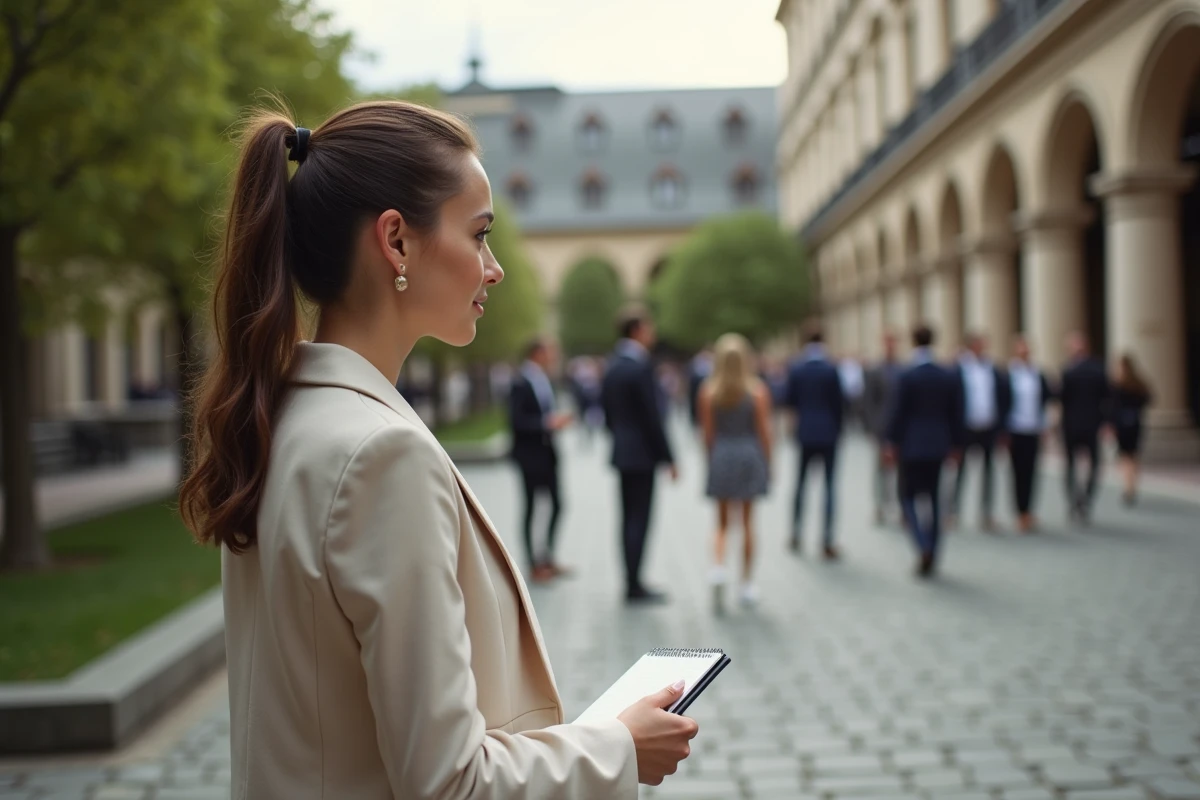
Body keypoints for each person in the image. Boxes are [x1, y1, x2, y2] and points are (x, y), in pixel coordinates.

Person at [178, 102, 697, 799]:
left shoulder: (286, 419)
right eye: (480, 235)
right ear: (396, 241)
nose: (496, 268)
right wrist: (618, 748)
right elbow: (451, 783)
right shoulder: (380, 456)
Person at [601, 307, 678, 604]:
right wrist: (669, 457)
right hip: (643, 455)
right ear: (637, 331)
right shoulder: (641, 366)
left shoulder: (613, 364)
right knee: (640, 519)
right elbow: (652, 417)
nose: (653, 333)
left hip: (622, 453)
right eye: (649, 328)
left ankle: (630, 579)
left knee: (627, 518)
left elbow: (607, 412)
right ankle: (634, 584)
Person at [697, 333, 773, 613]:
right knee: (749, 523)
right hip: (749, 454)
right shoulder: (757, 391)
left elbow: (707, 434)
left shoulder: (708, 392)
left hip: (722, 454)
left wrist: (710, 461)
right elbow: (765, 433)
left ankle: (718, 567)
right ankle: (747, 584)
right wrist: (769, 463)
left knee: (721, 523)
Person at [886, 325, 964, 578]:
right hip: (939, 444)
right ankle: (933, 547)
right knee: (934, 499)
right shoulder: (947, 374)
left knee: (908, 497)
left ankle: (922, 544)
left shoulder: (907, 375)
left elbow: (898, 413)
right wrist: (956, 444)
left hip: (911, 445)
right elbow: (956, 413)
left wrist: (891, 442)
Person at [509, 337, 573, 582]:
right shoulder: (520, 381)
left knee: (558, 504)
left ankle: (547, 557)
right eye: (550, 351)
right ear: (537, 353)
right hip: (529, 456)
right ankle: (533, 564)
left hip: (548, 453)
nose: (554, 356)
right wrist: (547, 423)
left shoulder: (543, 379)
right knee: (531, 508)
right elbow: (516, 421)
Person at [784, 326, 845, 559]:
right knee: (829, 486)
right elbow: (839, 404)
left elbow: (790, 403)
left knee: (800, 484)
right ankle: (827, 539)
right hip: (828, 432)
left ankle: (796, 533)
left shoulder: (798, 368)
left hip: (806, 431)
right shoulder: (831, 368)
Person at [948, 332, 1011, 532]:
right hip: (965, 427)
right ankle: (953, 511)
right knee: (960, 470)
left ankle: (986, 512)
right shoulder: (958, 368)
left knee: (989, 471)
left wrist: (1001, 427)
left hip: (988, 426)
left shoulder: (991, 367)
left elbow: (1002, 397)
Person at [1059, 331, 1111, 525]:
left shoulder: (1070, 370)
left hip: (1079, 424)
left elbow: (1062, 397)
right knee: (1087, 464)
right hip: (1086, 424)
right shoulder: (1094, 368)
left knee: (1077, 465)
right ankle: (1081, 499)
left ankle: (1079, 499)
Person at [1005, 334, 1054, 533]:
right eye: (1021, 348)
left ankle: (1028, 510)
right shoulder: (1009, 374)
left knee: (1032, 471)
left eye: (1026, 348)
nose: (1024, 352)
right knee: (1017, 472)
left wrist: (1045, 426)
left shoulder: (1038, 374)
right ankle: (1019, 511)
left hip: (1033, 428)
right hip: (1015, 429)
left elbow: (1045, 402)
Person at [863, 332, 904, 525]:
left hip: (900, 428)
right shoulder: (875, 370)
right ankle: (880, 504)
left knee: (901, 469)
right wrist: (873, 427)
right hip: (881, 427)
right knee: (880, 469)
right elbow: (868, 402)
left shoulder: (902, 370)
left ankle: (901, 504)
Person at [1111, 352, 1153, 506]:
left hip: (1123, 425)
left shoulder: (1118, 384)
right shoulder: (1138, 384)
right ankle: (1132, 485)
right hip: (1135, 423)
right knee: (1133, 455)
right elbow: (1148, 399)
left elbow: (1111, 407)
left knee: (1125, 457)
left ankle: (1128, 487)